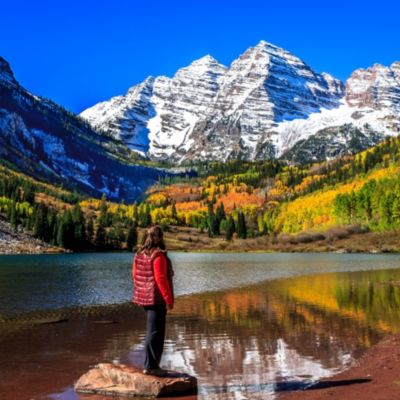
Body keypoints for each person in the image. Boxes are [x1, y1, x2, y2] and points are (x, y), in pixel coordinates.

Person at [132, 225, 174, 377]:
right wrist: (168, 300)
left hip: (145, 297)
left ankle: (152, 365)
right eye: (161, 236)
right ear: (159, 238)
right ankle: (151, 366)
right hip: (156, 299)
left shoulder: (140, 254)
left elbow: (135, 275)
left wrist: (141, 290)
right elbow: (161, 279)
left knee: (153, 331)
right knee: (156, 332)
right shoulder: (158, 256)